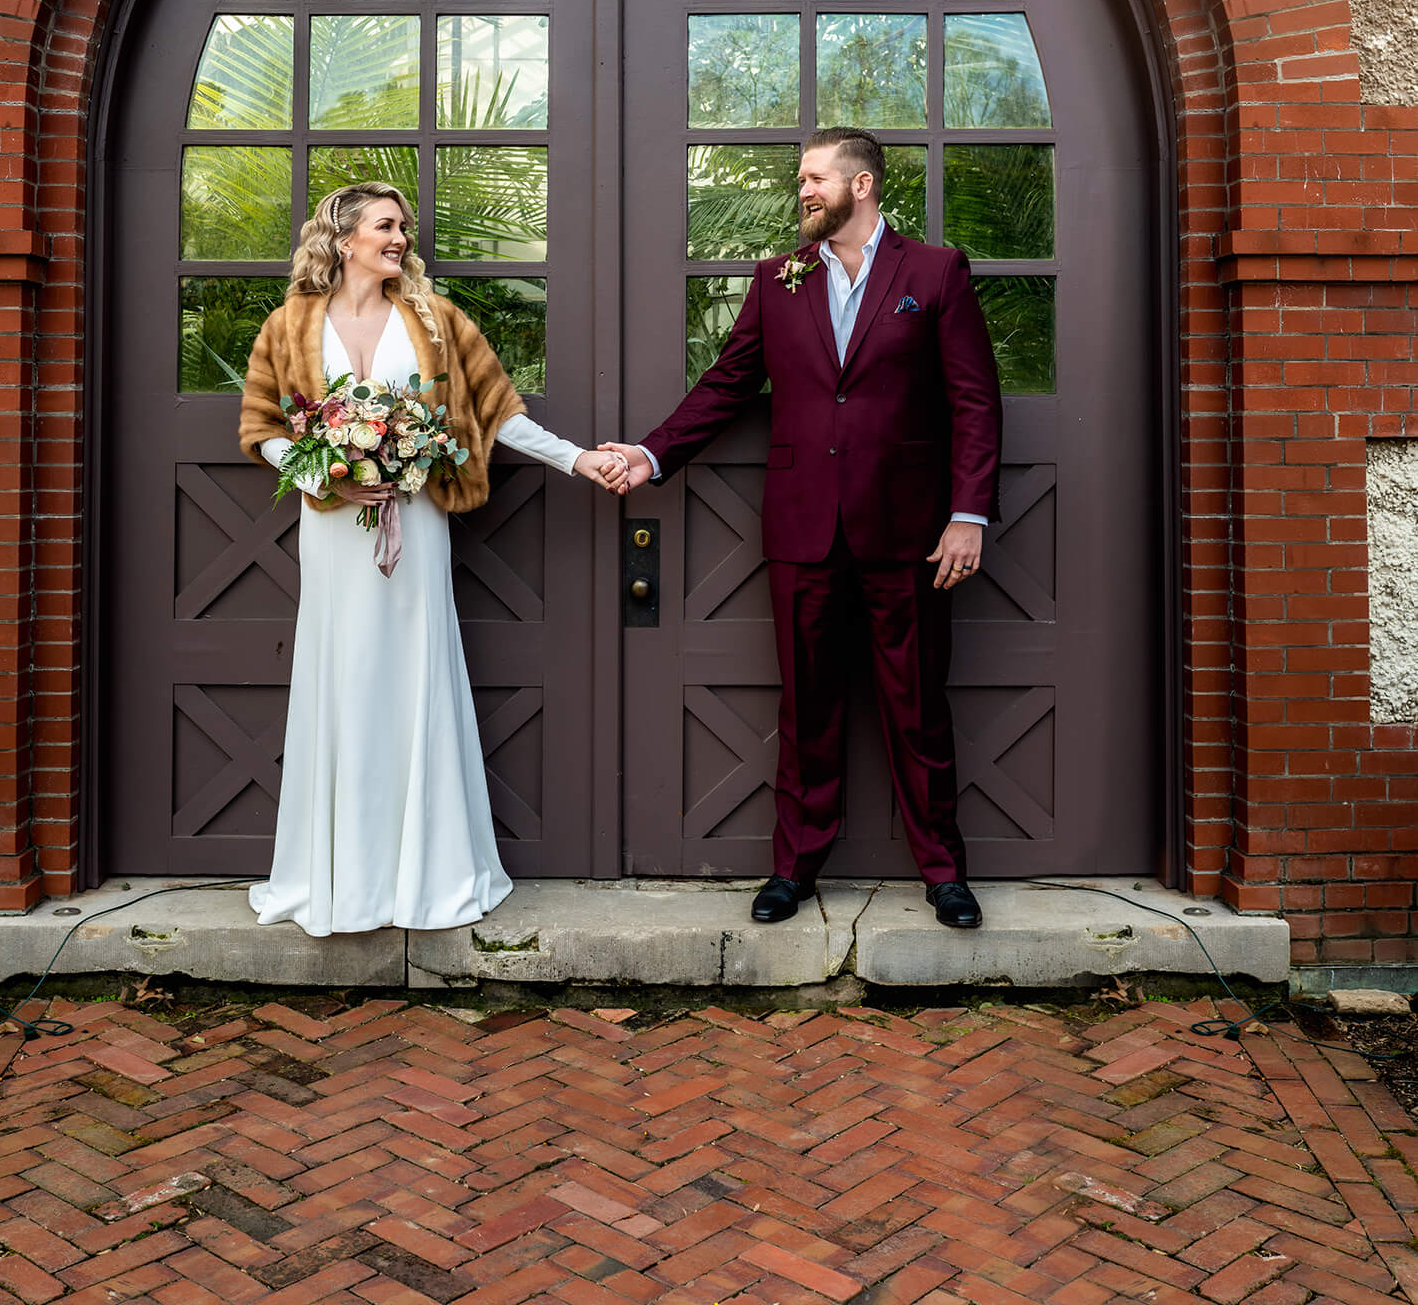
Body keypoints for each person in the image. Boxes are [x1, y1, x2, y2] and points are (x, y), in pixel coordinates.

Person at [602, 127, 1002, 930]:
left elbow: (973, 400)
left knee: (918, 706)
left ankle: (944, 873)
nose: (803, 192)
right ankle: (794, 869)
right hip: (804, 528)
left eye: (815, 178)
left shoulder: (935, 271)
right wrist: (652, 453)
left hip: (909, 531)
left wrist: (968, 514)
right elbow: (727, 384)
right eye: (801, 181)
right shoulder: (777, 281)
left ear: (862, 184)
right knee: (807, 706)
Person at [238, 181, 628, 937]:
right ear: (343, 238)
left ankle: (429, 872)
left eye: (404, 229)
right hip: (333, 530)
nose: (401, 239)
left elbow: (501, 413)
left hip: (413, 526)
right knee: (342, 677)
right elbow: (263, 427)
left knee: (413, 677)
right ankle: (338, 878)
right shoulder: (287, 326)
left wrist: (578, 460)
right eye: (386, 226)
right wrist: (331, 476)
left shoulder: (436, 322)